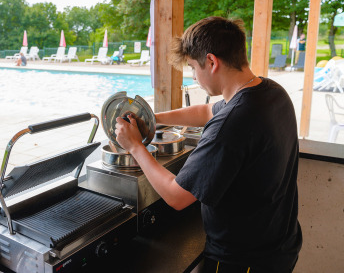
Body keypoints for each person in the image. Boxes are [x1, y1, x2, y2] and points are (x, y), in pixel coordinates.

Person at [115, 17, 302, 273]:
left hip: (242, 260)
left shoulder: (231, 126)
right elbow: (206, 110)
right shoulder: (270, 92)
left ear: (212, 62)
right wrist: (153, 120)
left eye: (193, 67)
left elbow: (176, 196)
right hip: (280, 243)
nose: (194, 76)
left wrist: (135, 146)